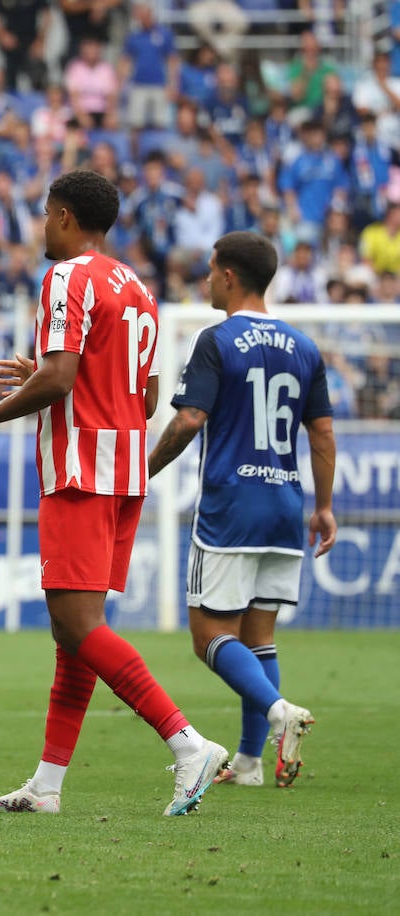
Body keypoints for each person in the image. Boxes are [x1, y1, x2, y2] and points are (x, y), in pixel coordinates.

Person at [0, 169, 229, 817]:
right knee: (74, 634)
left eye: (43, 213)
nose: (40, 225)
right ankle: (48, 784)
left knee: (75, 625)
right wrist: (45, 372)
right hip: (123, 473)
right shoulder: (137, 288)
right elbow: (144, 395)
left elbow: (62, 380)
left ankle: (187, 742)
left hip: (80, 468)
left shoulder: (67, 277)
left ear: (63, 216)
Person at [146, 231, 333, 788]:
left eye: (209, 271)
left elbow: (189, 420)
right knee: (259, 636)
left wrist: (144, 469)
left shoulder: (216, 339)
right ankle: (250, 764)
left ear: (228, 276)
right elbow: (321, 433)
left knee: (208, 637)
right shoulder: (305, 346)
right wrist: (323, 506)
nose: (205, 280)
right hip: (284, 504)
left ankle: (280, 714)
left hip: (231, 504)